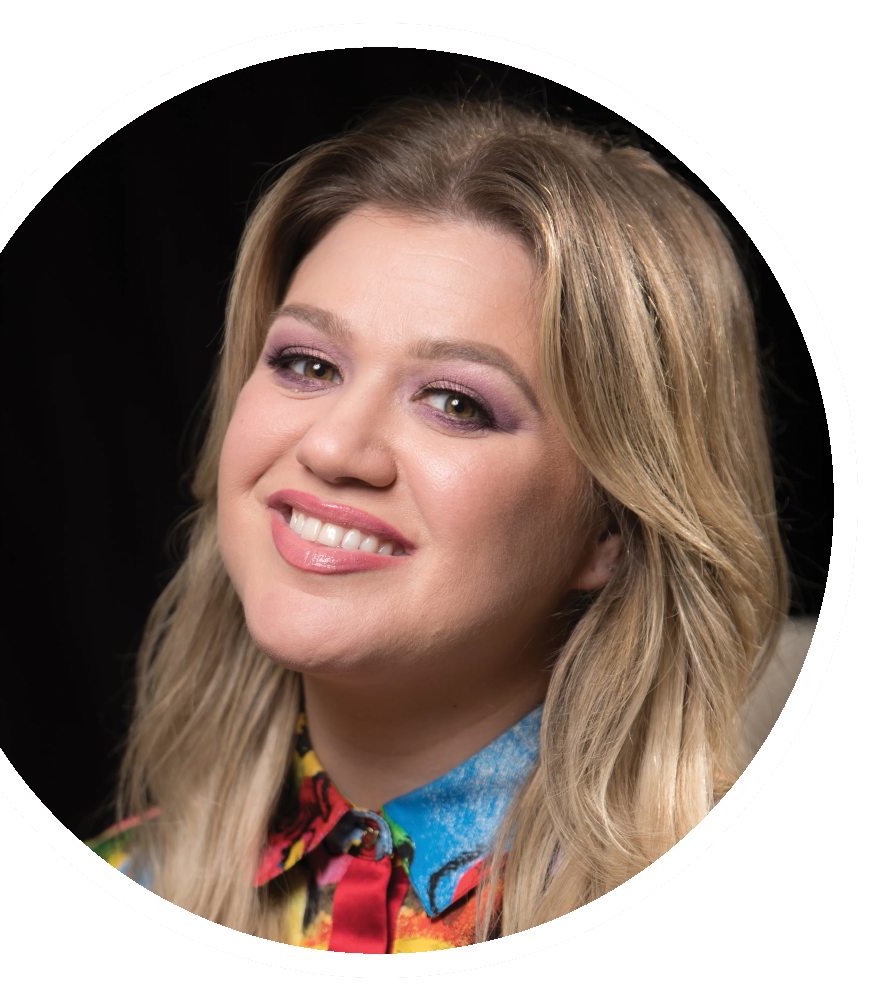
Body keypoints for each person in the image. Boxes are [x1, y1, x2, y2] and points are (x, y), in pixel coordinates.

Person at [88, 97, 789, 952]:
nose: (336, 446)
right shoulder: (113, 894)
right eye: (307, 364)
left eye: (456, 403)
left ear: (614, 527)